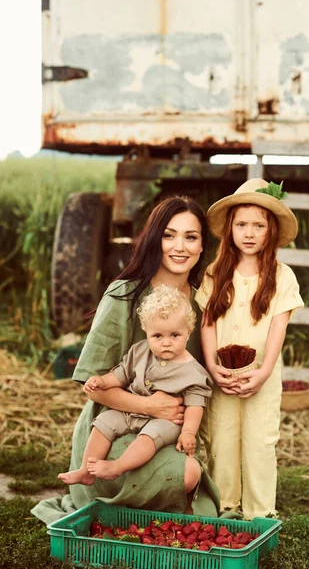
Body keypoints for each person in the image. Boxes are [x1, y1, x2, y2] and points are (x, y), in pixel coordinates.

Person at [31, 196, 220, 524]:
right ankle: (102, 486)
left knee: (189, 473)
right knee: (186, 475)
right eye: (169, 235)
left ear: (203, 246)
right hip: (112, 426)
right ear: (153, 240)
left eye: (191, 237)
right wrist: (151, 407)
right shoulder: (124, 294)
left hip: (168, 428)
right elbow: (93, 387)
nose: (180, 246)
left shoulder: (204, 302)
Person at [196, 178, 304, 520]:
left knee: (259, 443)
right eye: (242, 224)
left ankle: (260, 514)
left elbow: (278, 327)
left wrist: (264, 371)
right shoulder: (216, 273)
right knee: (222, 442)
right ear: (230, 229)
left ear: (271, 231)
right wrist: (213, 368)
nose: (249, 232)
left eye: (259, 225)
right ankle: (225, 507)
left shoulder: (282, 276)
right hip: (223, 374)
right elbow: (208, 323)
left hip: (261, 376)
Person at [58, 284, 212, 485]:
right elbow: (122, 373)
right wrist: (102, 381)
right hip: (131, 413)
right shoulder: (139, 351)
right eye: (157, 336)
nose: (166, 342)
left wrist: (188, 432)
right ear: (146, 331)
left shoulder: (193, 372)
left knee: (148, 437)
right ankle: (86, 471)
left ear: (189, 332)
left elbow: (194, 405)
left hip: (166, 422)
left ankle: (117, 467)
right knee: (104, 422)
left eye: (175, 335)